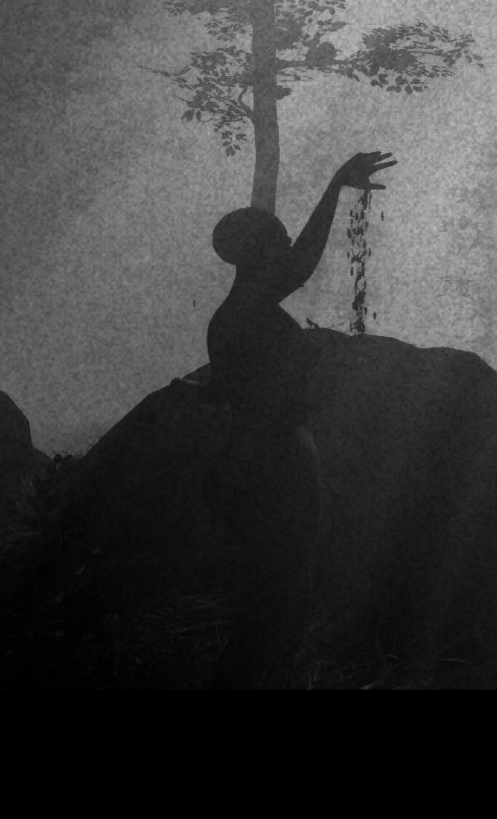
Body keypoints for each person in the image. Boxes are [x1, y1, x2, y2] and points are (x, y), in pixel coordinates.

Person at [201, 150, 396, 688]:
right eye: (279, 241)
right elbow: (305, 261)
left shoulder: (234, 317)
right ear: (256, 255)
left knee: (271, 593)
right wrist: (335, 185)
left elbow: (231, 391)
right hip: (276, 465)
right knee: (280, 593)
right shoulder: (248, 311)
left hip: (264, 462)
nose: (289, 247)